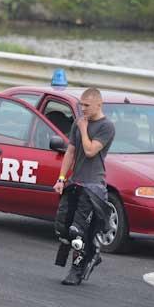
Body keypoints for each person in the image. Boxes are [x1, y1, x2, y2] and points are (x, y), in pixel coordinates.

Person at [53, 88, 116, 286]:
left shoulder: (106, 127)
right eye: (81, 104)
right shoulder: (79, 122)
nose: (82, 108)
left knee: (76, 231)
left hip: (93, 186)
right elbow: (70, 152)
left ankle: (77, 269)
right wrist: (61, 178)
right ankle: (92, 253)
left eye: (86, 105)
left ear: (99, 104)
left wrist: (82, 128)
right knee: (63, 227)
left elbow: (89, 151)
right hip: (75, 183)